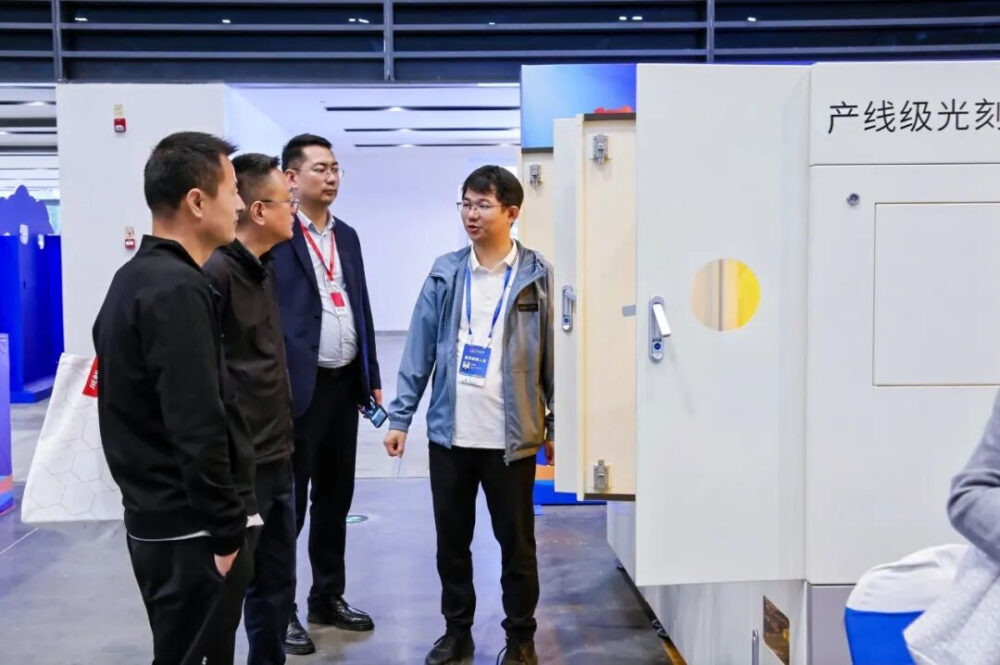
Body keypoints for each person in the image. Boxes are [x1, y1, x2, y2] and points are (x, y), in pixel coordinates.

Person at [93, 131, 254, 665]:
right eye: (233, 190)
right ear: (197, 201)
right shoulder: (177, 289)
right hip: (190, 530)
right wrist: (226, 532)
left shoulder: (134, 279)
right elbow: (196, 421)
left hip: (158, 521)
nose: (239, 205)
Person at [384, 165, 555, 665]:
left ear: (512, 212)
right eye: (465, 203)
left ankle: (521, 639)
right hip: (451, 437)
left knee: (517, 548)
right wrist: (401, 418)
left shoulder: (537, 276)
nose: (471, 214)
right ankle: (457, 633)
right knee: (452, 545)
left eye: (482, 205)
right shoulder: (445, 271)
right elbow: (419, 348)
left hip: (511, 440)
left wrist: (557, 426)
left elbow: (554, 357)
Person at [270, 133, 382, 647]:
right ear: (291, 178)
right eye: (320, 169)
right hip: (297, 391)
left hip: (342, 387)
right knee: (289, 506)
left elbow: (361, 306)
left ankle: (327, 596)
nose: (332, 177)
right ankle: (280, 609)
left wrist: (370, 376)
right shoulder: (277, 234)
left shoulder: (348, 236)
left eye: (335, 168)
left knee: (335, 500)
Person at [203, 153, 310, 662]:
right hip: (240, 468)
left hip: (276, 456)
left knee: (276, 587)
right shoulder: (216, 276)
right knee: (229, 594)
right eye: (288, 201)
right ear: (259, 211)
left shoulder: (264, 271)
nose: (295, 210)